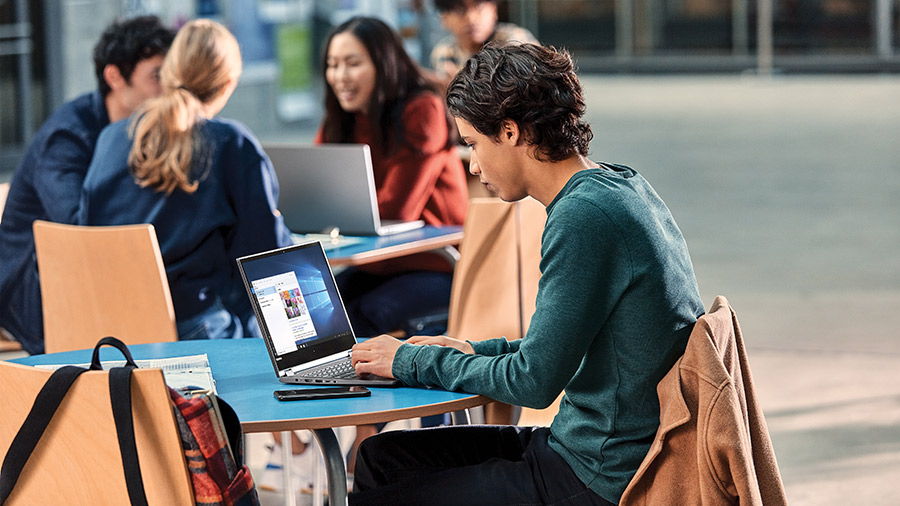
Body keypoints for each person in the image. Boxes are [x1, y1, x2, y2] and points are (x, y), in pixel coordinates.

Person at [348, 42, 706, 505]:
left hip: (595, 478)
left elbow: (533, 383)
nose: (473, 166)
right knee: (382, 457)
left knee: (378, 495)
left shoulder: (584, 217)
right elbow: (557, 346)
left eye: (474, 144)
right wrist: (469, 349)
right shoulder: (620, 184)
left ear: (511, 132)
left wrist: (407, 361)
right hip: (581, 449)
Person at [78, 19, 292, 341]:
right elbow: (265, 256)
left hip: (113, 333)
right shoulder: (230, 143)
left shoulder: (111, 138)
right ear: (227, 84)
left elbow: (88, 233)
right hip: (197, 331)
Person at [0, 16, 175, 355]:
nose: (166, 90)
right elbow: (78, 228)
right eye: (156, 76)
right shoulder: (67, 137)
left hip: (94, 271)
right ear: (114, 77)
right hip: (32, 282)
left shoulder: (143, 130)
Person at [316, 16, 468, 339]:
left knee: (362, 317)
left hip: (437, 265)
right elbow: (315, 188)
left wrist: (327, 205)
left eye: (352, 63)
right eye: (332, 65)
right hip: (377, 265)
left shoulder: (422, 109)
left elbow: (397, 210)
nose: (339, 76)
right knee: (315, 312)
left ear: (383, 64)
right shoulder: (342, 119)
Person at [430, 0, 537, 85]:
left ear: (494, 10)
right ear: (444, 19)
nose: (471, 18)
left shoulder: (515, 40)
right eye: (459, 10)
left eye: (479, 7)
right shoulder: (443, 53)